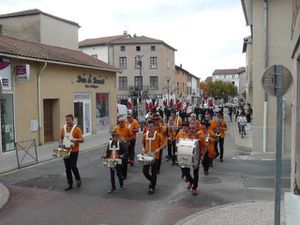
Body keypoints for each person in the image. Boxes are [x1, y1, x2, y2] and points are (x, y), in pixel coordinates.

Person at [59, 113, 84, 191]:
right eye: (67, 120)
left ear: (72, 120)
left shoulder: (77, 129)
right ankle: (70, 184)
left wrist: (75, 139)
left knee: (73, 166)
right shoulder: (63, 128)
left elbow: (82, 140)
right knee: (67, 168)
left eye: (69, 120)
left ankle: (78, 179)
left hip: (74, 150)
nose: (68, 121)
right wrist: (60, 144)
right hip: (65, 150)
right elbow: (60, 137)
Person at [142, 120, 166, 194]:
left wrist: (159, 148)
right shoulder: (145, 135)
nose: (150, 128)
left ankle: (152, 187)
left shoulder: (158, 135)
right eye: (149, 126)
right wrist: (143, 148)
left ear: (154, 127)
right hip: (147, 156)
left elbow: (164, 143)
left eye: (151, 126)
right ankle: (152, 180)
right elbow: (142, 143)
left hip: (155, 156)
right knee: (145, 171)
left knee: (153, 172)